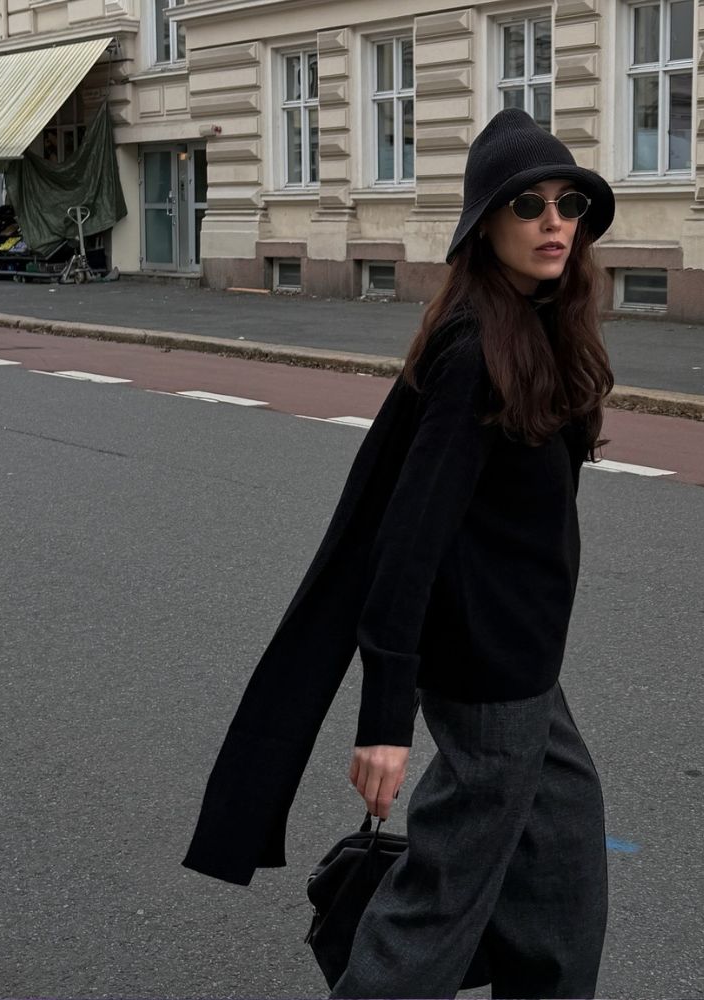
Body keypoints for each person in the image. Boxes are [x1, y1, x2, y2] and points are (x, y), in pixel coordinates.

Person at [182, 108, 616, 999]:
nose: (553, 221)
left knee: (564, 867)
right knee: (440, 900)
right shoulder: (474, 352)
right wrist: (384, 719)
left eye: (568, 202)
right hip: (488, 673)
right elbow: (404, 543)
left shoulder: (539, 327)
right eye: (527, 204)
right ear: (484, 224)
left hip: (526, 662)